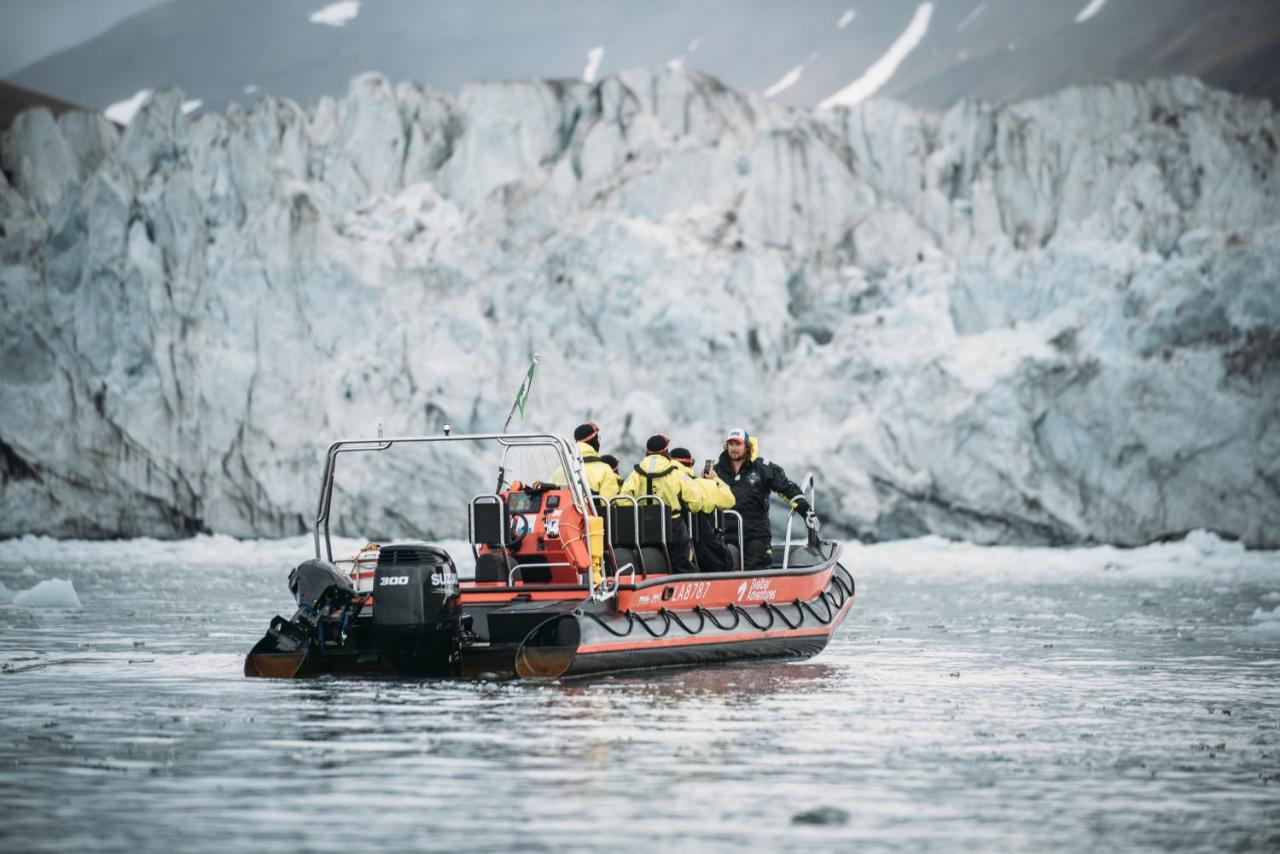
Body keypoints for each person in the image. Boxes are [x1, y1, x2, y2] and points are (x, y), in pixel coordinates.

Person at [714, 428, 818, 571]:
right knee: (718, 564)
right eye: (731, 444)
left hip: (755, 534)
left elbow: (787, 489)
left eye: (738, 444)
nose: (734, 448)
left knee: (757, 567)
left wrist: (807, 511)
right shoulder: (716, 471)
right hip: (726, 534)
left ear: (746, 446)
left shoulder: (762, 469)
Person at [619, 434, 702, 574]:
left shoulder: (635, 474)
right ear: (666, 451)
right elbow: (695, 502)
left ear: (647, 451)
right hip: (672, 525)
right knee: (682, 562)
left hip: (644, 525)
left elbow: (622, 500)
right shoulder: (676, 473)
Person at [668, 448, 738, 573]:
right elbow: (729, 500)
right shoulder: (697, 483)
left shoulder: (659, 480)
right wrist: (715, 480)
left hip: (665, 539)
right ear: (690, 464)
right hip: (697, 545)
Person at [552, 422, 620, 498]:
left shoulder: (560, 469)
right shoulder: (605, 470)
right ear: (593, 441)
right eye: (597, 438)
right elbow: (608, 504)